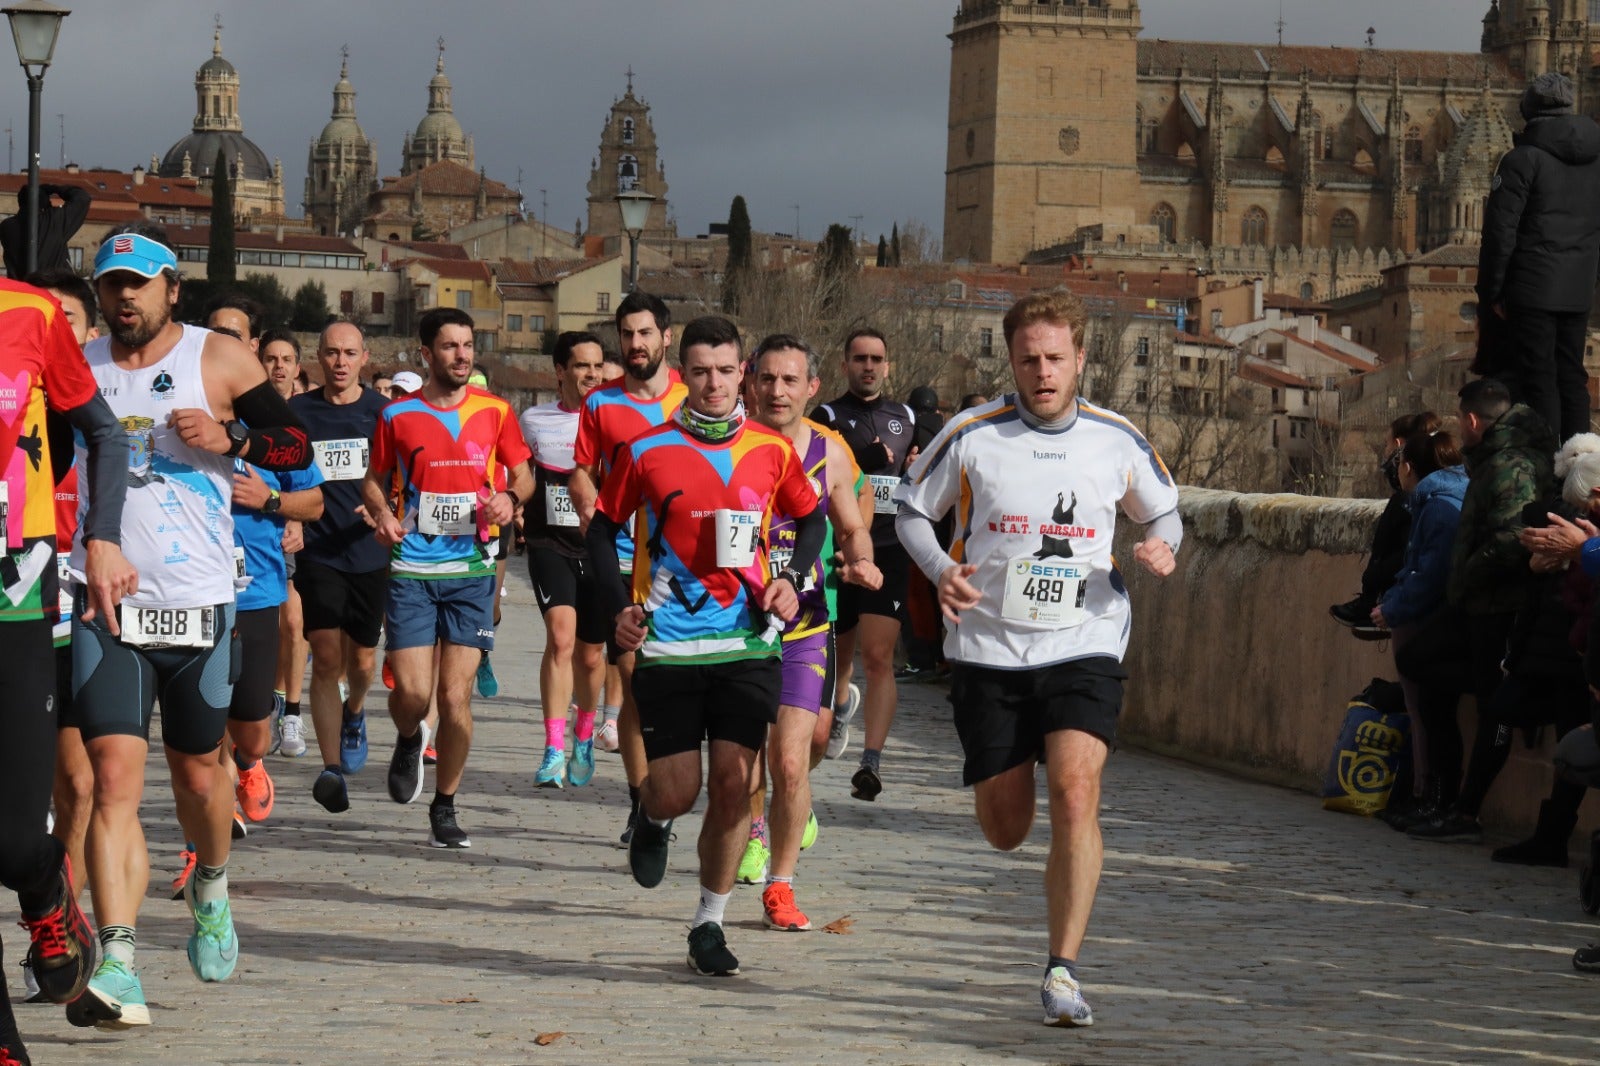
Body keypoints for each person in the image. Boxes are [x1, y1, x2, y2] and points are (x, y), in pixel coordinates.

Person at [894, 291, 1181, 1027]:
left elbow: (1164, 510)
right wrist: (940, 570)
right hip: (989, 645)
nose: (1043, 373)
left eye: (1056, 359)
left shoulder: (1116, 438)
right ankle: (1007, 785)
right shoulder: (971, 434)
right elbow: (912, 512)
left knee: (1077, 793)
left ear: (1081, 358)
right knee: (1006, 827)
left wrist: (1162, 545)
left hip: (1085, 637)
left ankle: (1062, 970)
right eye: (1029, 360)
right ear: (1012, 361)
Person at [67, 224, 311, 1030]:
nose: (124, 297)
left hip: (200, 602)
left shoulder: (219, 358)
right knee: (112, 781)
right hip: (108, 604)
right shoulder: (81, 366)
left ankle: (211, 880)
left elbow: (293, 444)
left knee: (201, 781)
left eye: (139, 284)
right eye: (112, 284)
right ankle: (119, 962)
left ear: (173, 289)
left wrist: (233, 435)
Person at [586, 315, 827, 976]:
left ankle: (708, 923)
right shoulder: (647, 449)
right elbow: (601, 530)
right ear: (682, 374)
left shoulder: (771, 449)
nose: (714, 384)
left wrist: (790, 579)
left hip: (747, 642)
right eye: (700, 372)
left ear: (741, 373)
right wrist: (619, 610)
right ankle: (651, 816)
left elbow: (811, 519)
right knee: (676, 792)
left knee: (733, 782)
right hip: (669, 642)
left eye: (725, 371)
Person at [0, 271, 134, 1064]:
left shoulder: (30, 312)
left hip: (13, 596)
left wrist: (101, 535)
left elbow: (106, 434)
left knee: (14, 841)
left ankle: (46, 886)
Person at [363, 307, 533, 848]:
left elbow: (524, 475)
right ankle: (409, 735)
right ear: (426, 354)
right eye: (450, 346)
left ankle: (445, 805)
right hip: (413, 567)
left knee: (456, 696)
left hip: (472, 569)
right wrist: (383, 515)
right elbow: (373, 479)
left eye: (467, 345)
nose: (462, 355)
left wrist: (510, 498)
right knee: (414, 694)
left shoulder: (496, 411)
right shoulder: (398, 416)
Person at [746, 333, 880, 931]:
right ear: (751, 382)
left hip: (806, 620)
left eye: (790, 380)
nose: (778, 391)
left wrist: (862, 560)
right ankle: (765, 845)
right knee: (754, 756)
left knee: (799, 754)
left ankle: (784, 853)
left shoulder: (830, 451)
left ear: (811, 388)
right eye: (767, 379)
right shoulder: (730, 443)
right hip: (740, 626)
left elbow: (851, 525)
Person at [1394, 378, 1554, 838]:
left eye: (1460, 421)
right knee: (1421, 665)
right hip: (1475, 603)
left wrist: (1470, 570)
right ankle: (1440, 797)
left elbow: (1513, 539)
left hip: (1499, 607)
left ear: (1471, 420)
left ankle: (1464, 811)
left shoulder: (1511, 465)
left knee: (1493, 708)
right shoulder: (1493, 459)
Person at [569, 291, 687, 842]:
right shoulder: (600, 404)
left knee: (675, 689)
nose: (635, 344)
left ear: (667, 336)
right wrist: (589, 502)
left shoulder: (693, 397)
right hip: (620, 559)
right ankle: (644, 802)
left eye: (645, 333)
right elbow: (581, 470)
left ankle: (671, 785)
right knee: (636, 683)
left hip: (684, 567)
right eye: (627, 334)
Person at [812, 328, 917, 801]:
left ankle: (871, 761)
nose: (868, 366)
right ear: (845, 365)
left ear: (888, 366)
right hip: (839, 547)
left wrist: (915, 464)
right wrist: (862, 458)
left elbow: (923, 466)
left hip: (888, 548)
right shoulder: (827, 416)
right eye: (860, 358)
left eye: (876, 359)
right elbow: (815, 470)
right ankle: (838, 707)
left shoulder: (905, 416)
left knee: (878, 656)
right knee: (840, 651)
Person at [289, 322, 390, 812]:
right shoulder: (298, 412)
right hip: (319, 549)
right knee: (327, 657)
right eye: (332, 353)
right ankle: (330, 768)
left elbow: (404, 473)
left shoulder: (382, 412)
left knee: (363, 661)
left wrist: (385, 508)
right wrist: (289, 516)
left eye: (350, 353)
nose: (340, 362)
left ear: (364, 358)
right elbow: (281, 470)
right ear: (319, 356)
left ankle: (355, 711)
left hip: (370, 550)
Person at [1477, 71, 1600, 444]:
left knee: (1539, 376)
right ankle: (1579, 461)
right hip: (1579, 289)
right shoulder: (1595, 160)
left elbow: (1499, 233)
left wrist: (1492, 291)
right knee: (1572, 375)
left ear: (1529, 112)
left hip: (1531, 288)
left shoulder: (1521, 160)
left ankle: (1545, 461)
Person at [519, 331, 609, 788]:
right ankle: (553, 748)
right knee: (560, 640)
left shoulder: (615, 417)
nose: (592, 374)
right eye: (581, 365)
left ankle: (585, 732)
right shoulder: (533, 420)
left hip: (599, 547)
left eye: (597, 365)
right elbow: (515, 471)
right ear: (560, 371)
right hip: (549, 542)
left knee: (591, 658)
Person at [1366, 425, 1466, 827]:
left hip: (1428, 619)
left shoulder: (1437, 507)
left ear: (1408, 467)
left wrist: (1392, 607)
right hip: (1436, 616)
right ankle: (1427, 793)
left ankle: (1428, 794)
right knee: (1429, 711)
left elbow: (1428, 573)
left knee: (1427, 711)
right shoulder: (1447, 498)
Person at [1330, 413, 1440, 637]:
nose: (1386, 452)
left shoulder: (1409, 500)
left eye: (1387, 444)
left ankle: (1371, 602)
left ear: (1399, 446)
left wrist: (1373, 580)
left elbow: (1410, 553)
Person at [259, 329, 311, 756]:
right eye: (270, 358)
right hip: (247, 536)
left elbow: (309, 484)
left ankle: (291, 711)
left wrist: (295, 518)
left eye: (286, 359)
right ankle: (266, 703)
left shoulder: (305, 416)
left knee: (294, 623)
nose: (278, 367)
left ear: (297, 367)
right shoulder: (240, 410)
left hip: (295, 535)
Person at [0, 182, 91, 279]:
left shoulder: (6, 227)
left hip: (20, 286)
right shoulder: (55, 221)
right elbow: (82, 198)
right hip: (53, 284)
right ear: (44, 203)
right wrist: (55, 188)